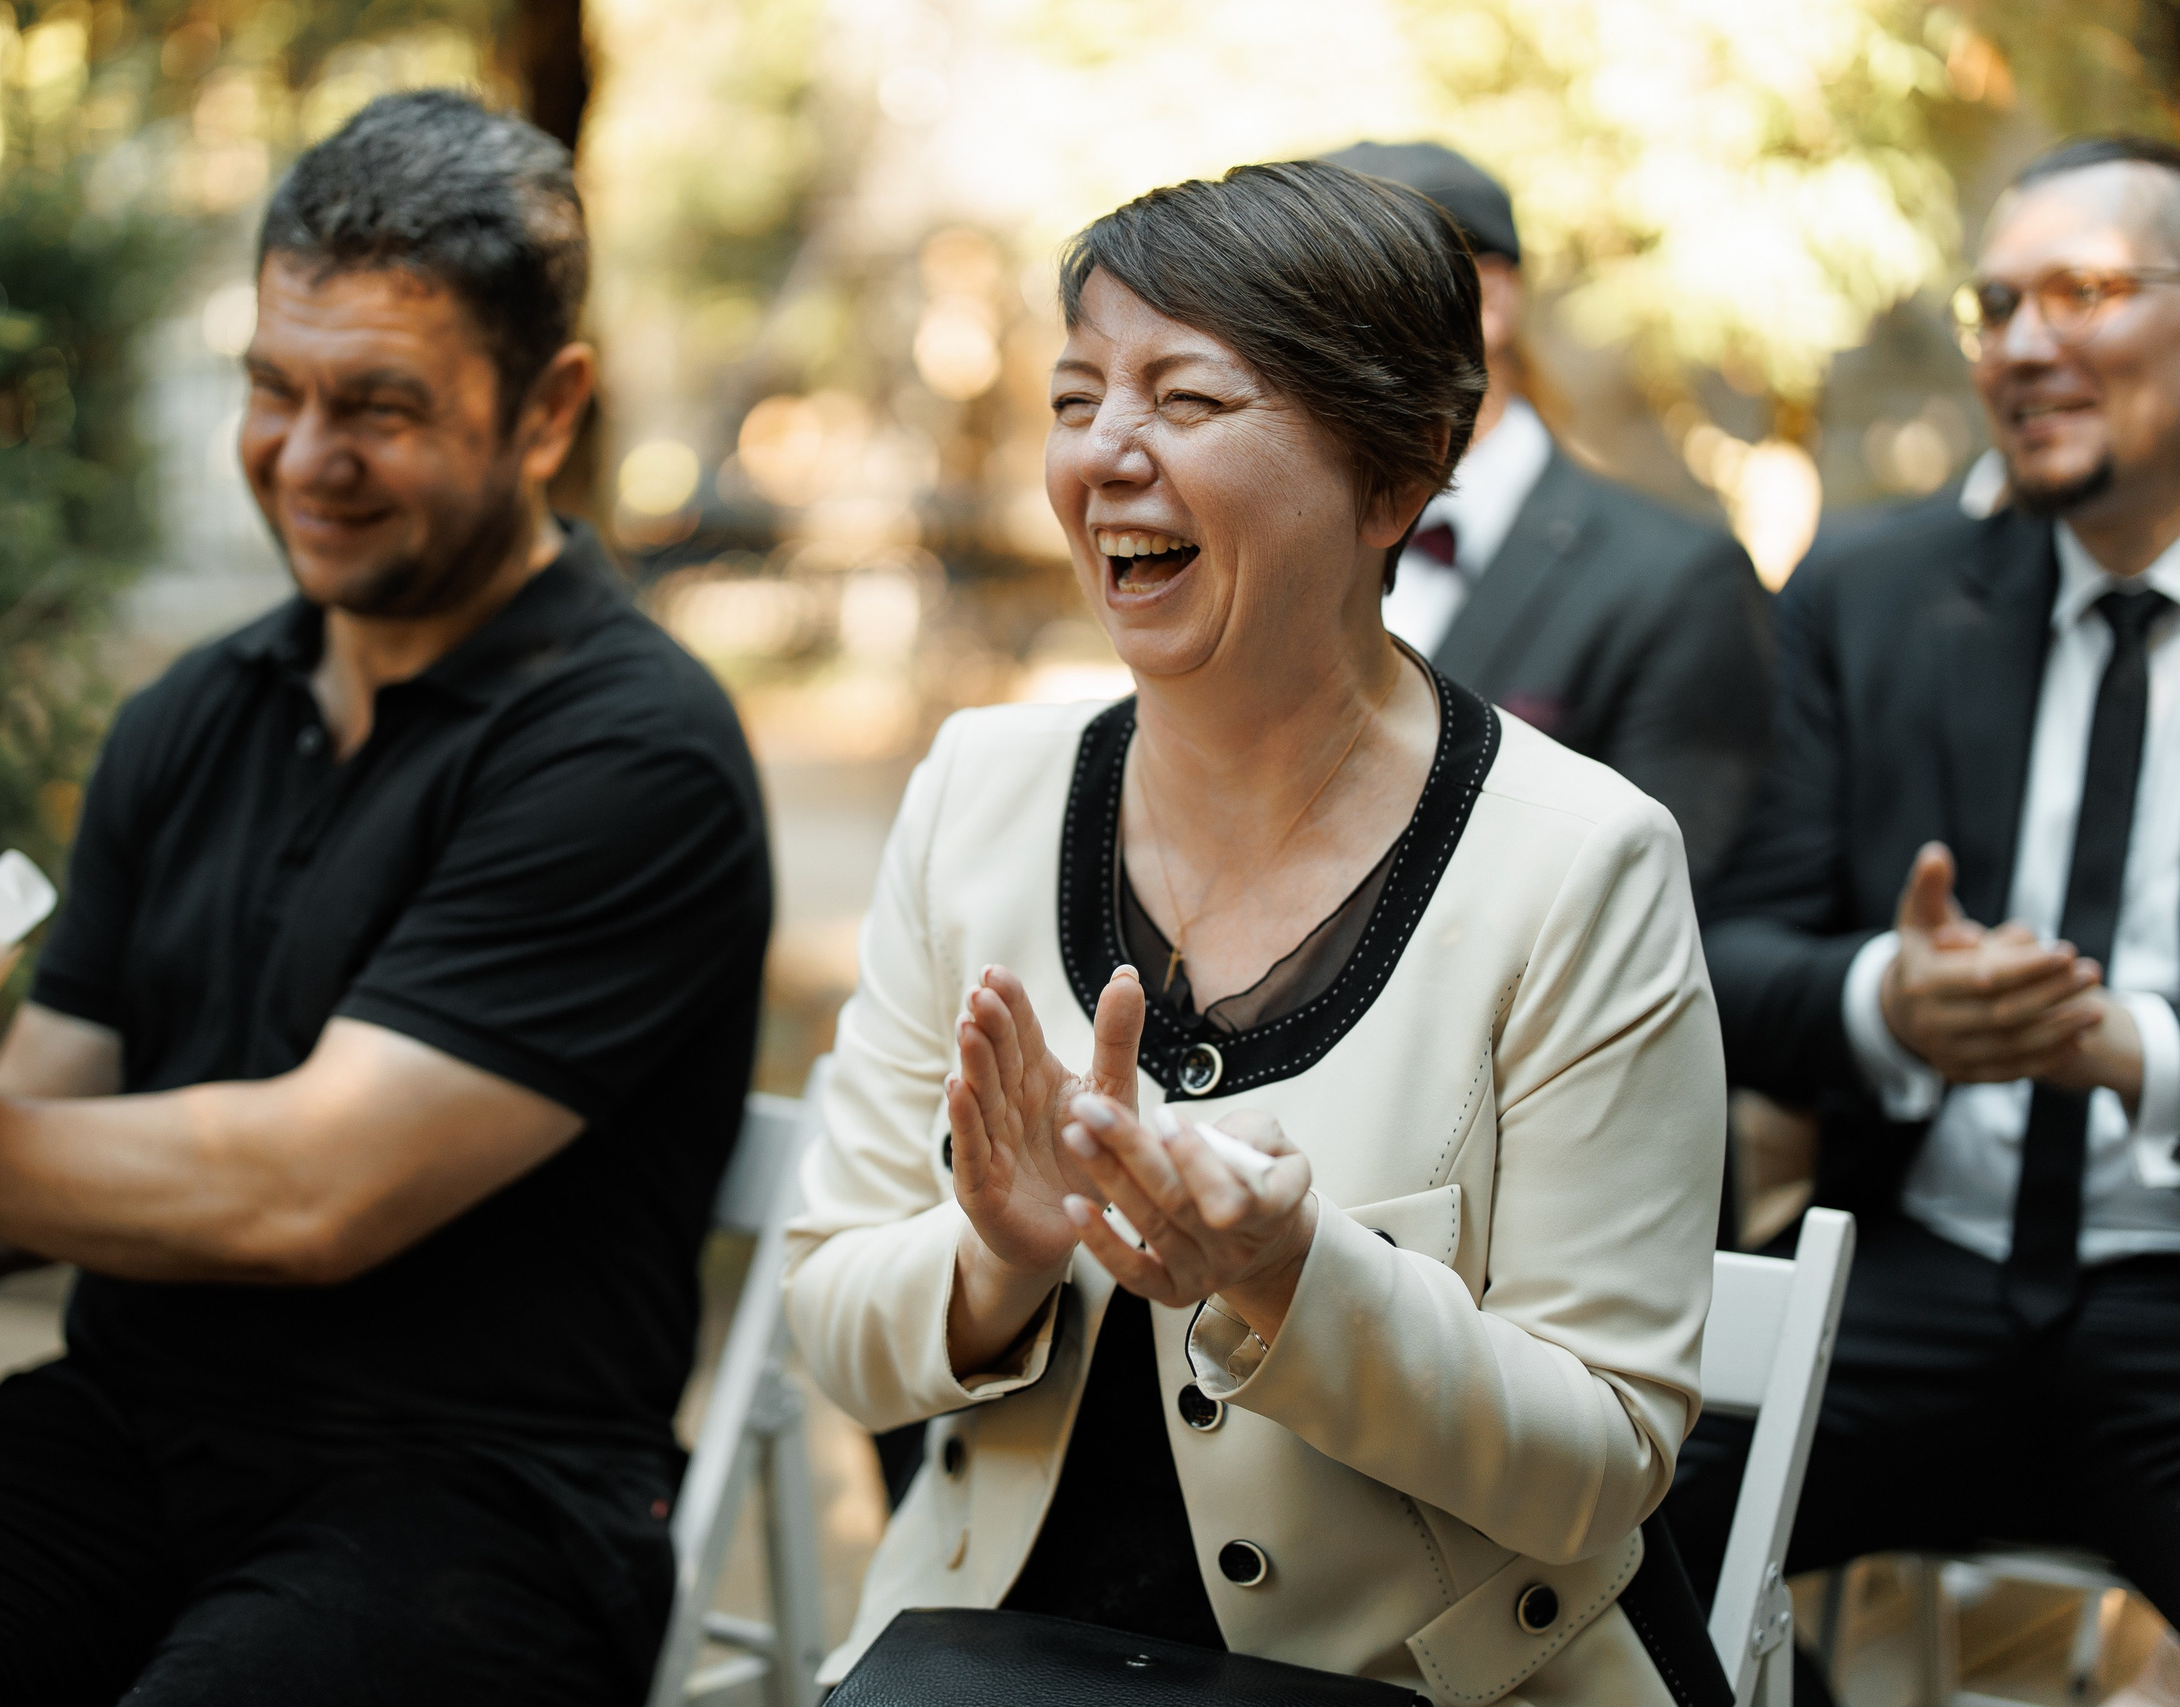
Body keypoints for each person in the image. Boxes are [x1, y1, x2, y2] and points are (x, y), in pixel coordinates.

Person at [0, 91, 771, 1707]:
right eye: (272, 387)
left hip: (484, 1496)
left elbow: (306, 1190)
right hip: (130, 1424)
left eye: (377, 406)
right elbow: (13, 1165)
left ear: (547, 410)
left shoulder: (635, 750)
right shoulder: (189, 716)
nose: (305, 460)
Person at [783, 160, 1731, 1704]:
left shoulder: (1582, 865)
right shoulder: (979, 792)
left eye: (1189, 399)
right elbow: (830, 1314)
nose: (1107, 456)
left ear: (1398, 475)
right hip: (985, 1656)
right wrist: (999, 1252)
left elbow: (1602, 1460)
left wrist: (1298, 1274)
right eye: (1077, 394)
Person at [1668, 135, 2180, 1699]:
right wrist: (1891, 1000)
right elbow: (1732, 958)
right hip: (1910, 1276)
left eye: (2084, 292)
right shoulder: (1872, 594)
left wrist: (2132, 1052)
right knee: (1572, 1530)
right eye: (1998, 304)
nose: (2025, 345)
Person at [1326, 141, 1773, 890]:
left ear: (1490, 302)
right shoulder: (1263, 557)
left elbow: (1649, 906)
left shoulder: (1675, 582)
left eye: (1354, 286)